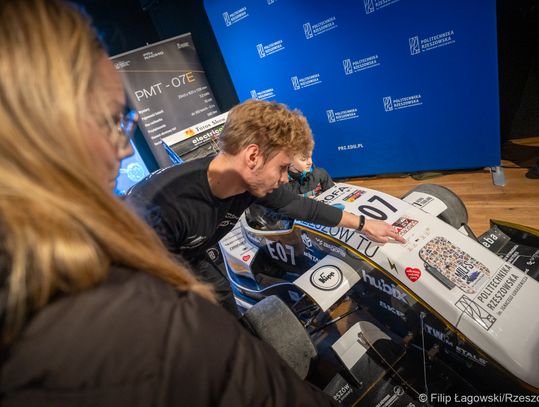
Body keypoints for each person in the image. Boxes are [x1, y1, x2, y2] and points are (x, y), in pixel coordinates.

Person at [0, 1, 338, 405]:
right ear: (39, 133)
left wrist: (364, 224)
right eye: (111, 120)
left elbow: (298, 207)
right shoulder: (150, 269)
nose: (127, 149)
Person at [127, 99, 405, 317]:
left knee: (221, 294)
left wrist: (364, 224)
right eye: (283, 168)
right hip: (147, 273)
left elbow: (300, 206)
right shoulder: (157, 208)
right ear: (253, 156)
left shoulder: (247, 180)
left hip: (189, 252)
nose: (285, 179)